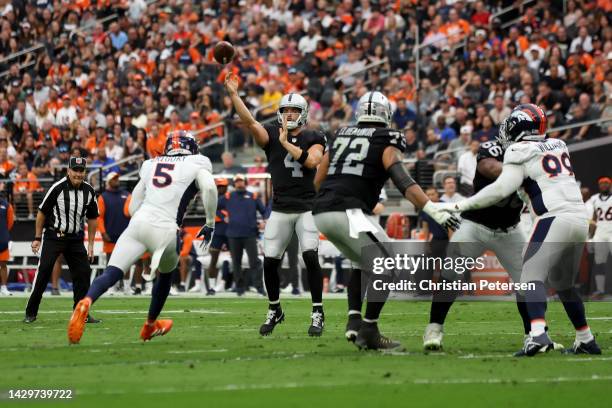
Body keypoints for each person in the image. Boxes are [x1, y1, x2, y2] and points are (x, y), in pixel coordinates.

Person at [436, 103, 601, 356]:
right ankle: (586, 338)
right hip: (579, 219)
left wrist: (459, 204)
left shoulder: (518, 149)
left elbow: (501, 189)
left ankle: (537, 336)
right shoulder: (559, 145)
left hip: (553, 218)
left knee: (529, 277)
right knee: (564, 283)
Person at [312, 91, 459, 350]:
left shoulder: (342, 135)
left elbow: (318, 178)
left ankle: (354, 320)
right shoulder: (387, 138)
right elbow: (402, 179)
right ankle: (369, 329)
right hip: (349, 211)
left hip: (323, 211)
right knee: (389, 263)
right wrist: (433, 209)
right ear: (385, 114)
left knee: (361, 261)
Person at [67, 131, 217, 344]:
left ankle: (86, 301)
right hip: (164, 229)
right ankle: (149, 325)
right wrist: (210, 223)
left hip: (138, 223)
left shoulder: (151, 164)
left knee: (112, 272)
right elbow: (210, 188)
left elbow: (132, 206)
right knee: (166, 275)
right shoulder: (198, 162)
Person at [423, 139, 560, 352]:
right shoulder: (495, 148)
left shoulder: (534, 154)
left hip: (510, 230)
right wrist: (522, 172)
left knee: (528, 281)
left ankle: (535, 334)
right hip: (475, 225)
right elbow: (489, 167)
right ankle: (434, 328)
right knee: (450, 273)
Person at [226, 74, 328, 337]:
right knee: (270, 261)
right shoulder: (271, 133)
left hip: (306, 207)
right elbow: (249, 121)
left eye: (295, 110)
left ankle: (317, 311)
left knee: (310, 256)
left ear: (303, 113)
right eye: (286, 110)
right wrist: (235, 95)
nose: (290, 114)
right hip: (281, 208)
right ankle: (275, 309)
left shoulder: (314, 136)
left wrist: (286, 144)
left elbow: (312, 162)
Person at [24, 157, 99, 323]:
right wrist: (37, 237)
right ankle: (31, 312)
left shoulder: (89, 191)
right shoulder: (57, 188)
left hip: (75, 238)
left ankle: (81, 313)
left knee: (83, 273)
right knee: (43, 272)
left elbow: (93, 218)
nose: (78, 174)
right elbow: (42, 212)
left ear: (85, 172)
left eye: (81, 171)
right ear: (68, 170)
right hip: (54, 236)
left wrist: (91, 244)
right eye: (75, 170)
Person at [218, 174, 266, 296]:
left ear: (245, 182)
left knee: (254, 261)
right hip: (233, 234)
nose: (240, 183)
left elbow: (264, 211)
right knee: (236, 262)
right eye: (237, 181)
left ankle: (259, 287)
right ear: (234, 184)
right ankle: (240, 288)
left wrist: (263, 222)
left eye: (241, 181)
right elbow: (214, 206)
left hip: (250, 233)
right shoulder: (228, 196)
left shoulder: (253, 196)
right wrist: (224, 217)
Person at [97, 172, 131, 295]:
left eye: (117, 178)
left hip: (126, 234)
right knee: (111, 262)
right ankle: (112, 286)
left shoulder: (127, 195)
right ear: (108, 182)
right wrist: (103, 232)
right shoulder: (103, 197)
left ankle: (126, 286)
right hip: (110, 235)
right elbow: (99, 217)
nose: (117, 180)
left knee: (127, 261)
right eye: (114, 179)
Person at [588, 176, 611, 299]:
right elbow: (593, 219)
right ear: (598, 185)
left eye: (606, 183)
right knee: (599, 262)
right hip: (600, 233)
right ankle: (600, 291)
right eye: (602, 183)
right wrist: (590, 238)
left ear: (610, 185)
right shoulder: (594, 199)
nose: (604, 185)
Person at [0, 197, 14, 296]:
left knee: (3, 264)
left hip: (2, 239)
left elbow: (10, 222)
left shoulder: (6, 205)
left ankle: (4, 288)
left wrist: (3, 234)